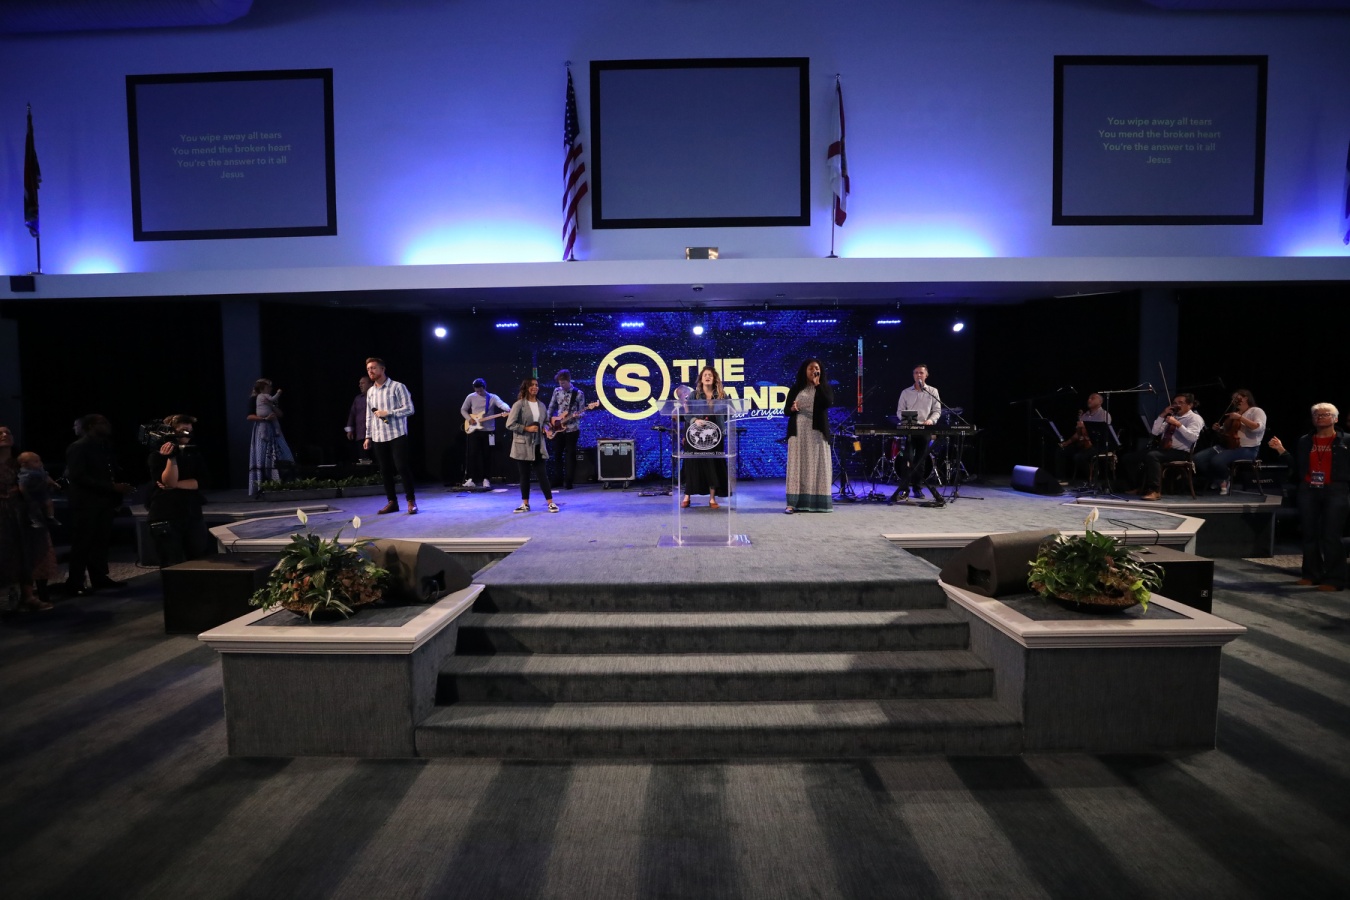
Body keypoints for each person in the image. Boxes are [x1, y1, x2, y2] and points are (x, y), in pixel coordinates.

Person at [1268, 403, 1349, 592]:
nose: (1320, 417)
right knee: (1309, 534)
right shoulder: (1305, 441)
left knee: (1331, 535)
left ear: (1335, 419)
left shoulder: (1345, 441)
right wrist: (1281, 451)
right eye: (1316, 415)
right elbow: (1297, 467)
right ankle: (1311, 574)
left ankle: (1335, 578)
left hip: (1336, 490)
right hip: (1308, 490)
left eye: (1325, 414)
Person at [63, 414, 134, 596]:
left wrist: (118, 490)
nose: (107, 425)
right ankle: (75, 582)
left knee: (100, 542)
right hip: (85, 503)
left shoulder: (104, 445)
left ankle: (99, 577)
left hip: (103, 501)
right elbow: (78, 476)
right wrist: (111, 486)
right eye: (102, 422)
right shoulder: (79, 447)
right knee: (83, 543)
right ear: (90, 426)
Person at [145, 415, 214, 567]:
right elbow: (168, 481)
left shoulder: (193, 453)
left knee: (200, 559)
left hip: (192, 512)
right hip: (166, 514)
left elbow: (203, 482)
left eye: (190, 430)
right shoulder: (157, 456)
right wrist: (172, 458)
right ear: (170, 432)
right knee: (171, 562)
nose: (188, 434)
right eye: (183, 430)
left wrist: (176, 484)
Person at [1, 426, 55, 611]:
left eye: (8, 432)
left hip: (21, 511)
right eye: (0, 433)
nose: (4, 435)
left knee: (27, 551)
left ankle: (28, 596)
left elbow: (39, 479)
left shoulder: (21, 462)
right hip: (2, 513)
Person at [364, 357, 418, 515]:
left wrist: (388, 413)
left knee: (401, 467)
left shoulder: (397, 387)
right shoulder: (370, 391)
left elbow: (410, 409)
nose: (370, 371)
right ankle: (392, 502)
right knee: (385, 470)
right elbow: (369, 415)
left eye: (373, 368)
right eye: (368, 369)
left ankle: (411, 501)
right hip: (378, 436)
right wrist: (368, 436)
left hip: (396, 434)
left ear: (382, 369)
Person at [1126, 393, 1204, 501]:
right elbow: (1155, 432)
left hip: (1181, 452)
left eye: (1180, 403)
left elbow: (1193, 438)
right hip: (1166, 449)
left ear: (1189, 405)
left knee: (1152, 455)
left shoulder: (1195, 418)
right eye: (1175, 403)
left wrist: (1178, 424)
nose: (1177, 405)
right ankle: (1139, 487)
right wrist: (1162, 415)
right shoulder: (1173, 416)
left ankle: (1155, 490)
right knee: (1129, 458)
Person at [783, 359, 834, 514]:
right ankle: (792, 503)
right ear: (805, 371)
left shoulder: (824, 388)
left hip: (817, 432)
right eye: (811, 368)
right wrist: (792, 409)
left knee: (817, 465)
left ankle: (818, 503)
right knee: (797, 466)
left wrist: (818, 385)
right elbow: (786, 411)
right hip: (798, 431)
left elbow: (827, 403)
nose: (814, 371)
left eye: (816, 368)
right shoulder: (796, 388)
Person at [1193, 389, 1266, 495]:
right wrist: (1219, 429)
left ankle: (1224, 479)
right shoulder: (1235, 413)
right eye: (1232, 399)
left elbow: (1258, 428)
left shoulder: (1256, 411)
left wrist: (1240, 418)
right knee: (1198, 459)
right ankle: (1220, 479)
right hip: (1228, 446)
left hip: (1247, 448)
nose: (1233, 401)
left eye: (1236, 398)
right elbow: (1227, 431)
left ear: (1245, 398)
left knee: (1216, 461)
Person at [678, 365, 731, 510]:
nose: (707, 377)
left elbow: (728, 414)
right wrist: (695, 420)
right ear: (701, 379)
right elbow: (686, 415)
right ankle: (687, 496)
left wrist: (721, 419)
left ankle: (712, 498)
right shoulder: (694, 395)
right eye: (705, 375)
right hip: (696, 434)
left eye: (710, 375)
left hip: (714, 434)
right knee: (692, 465)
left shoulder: (721, 395)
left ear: (714, 379)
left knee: (712, 465)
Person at [506, 377, 558, 513]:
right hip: (522, 445)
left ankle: (550, 503)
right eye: (532, 385)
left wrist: (546, 429)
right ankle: (525, 504)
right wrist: (526, 428)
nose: (535, 387)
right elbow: (510, 424)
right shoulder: (519, 405)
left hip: (538, 445)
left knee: (542, 474)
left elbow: (545, 422)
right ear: (526, 387)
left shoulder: (541, 405)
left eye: (536, 385)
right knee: (524, 475)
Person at [893, 364, 942, 500]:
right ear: (913, 375)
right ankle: (904, 489)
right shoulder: (905, 392)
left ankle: (917, 488)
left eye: (921, 373)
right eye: (916, 373)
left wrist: (930, 420)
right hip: (909, 429)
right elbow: (899, 411)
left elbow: (937, 410)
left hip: (924, 429)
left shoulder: (932, 391)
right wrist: (906, 419)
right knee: (907, 459)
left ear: (926, 375)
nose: (918, 375)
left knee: (921, 460)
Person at [461, 378, 511, 488]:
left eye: (480, 390)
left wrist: (508, 409)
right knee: (472, 455)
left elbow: (502, 404)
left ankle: (486, 479)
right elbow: (463, 410)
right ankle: (471, 479)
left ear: (485, 388)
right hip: (474, 430)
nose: (479, 393)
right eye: (477, 391)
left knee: (487, 455)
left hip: (488, 431)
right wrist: (469, 419)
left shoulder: (492, 397)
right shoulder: (471, 397)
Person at [247, 378, 293, 496]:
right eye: (269, 386)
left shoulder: (270, 399)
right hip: (262, 428)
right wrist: (264, 419)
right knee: (262, 457)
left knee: (283, 454)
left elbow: (280, 414)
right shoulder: (255, 399)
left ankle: (285, 484)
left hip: (274, 430)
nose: (271, 388)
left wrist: (271, 406)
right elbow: (249, 416)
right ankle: (261, 487)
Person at [1055, 392, 1112, 483]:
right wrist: (1067, 442)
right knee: (1061, 451)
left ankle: (1092, 476)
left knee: (1079, 457)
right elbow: (1078, 434)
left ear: (1100, 402)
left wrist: (1086, 430)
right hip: (1084, 444)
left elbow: (1103, 432)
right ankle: (1061, 479)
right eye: (1089, 398)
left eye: (1092, 398)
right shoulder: (1085, 415)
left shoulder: (1104, 415)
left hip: (1096, 445)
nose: (1089, 400)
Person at [547, 369, 589, 491]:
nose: (562, 385)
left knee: (570, 455)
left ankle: (569, 480)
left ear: (569, 380)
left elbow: (583, 411)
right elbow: (551, 407)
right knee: (557, 454)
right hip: (558, 426)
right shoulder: (556, 391)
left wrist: (577, 415)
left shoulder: (578, 393)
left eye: (563, 383)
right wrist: (548, 421)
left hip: (572, 428)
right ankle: (558, 479)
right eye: (560, 383)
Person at [17, 451, 60, 530]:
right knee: (33, 508)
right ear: (24, 464)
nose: (40, 463)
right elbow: (22, 486)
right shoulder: (25, 474)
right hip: (32, 494)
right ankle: (35, 521)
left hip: (42, 492)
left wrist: (54, 483)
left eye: (40, 460)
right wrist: (26, 495)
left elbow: (46, 477)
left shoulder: (40, 470)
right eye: (36, 461)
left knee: (49, 503)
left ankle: (50, 517)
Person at [344, 376, 374, 465]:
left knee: (376, 459)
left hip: (375, 435)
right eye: (359, 383)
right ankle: (367, 473)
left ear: (370, 384)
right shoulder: (358, 399)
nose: (360, 385)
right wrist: (350, 430)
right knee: (364, 460)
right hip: (361, 435)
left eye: (363, 383)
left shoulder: (376, 397)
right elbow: (352, 414)